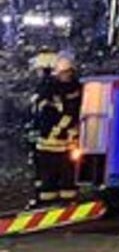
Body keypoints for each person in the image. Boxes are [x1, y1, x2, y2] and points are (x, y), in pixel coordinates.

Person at [32, 55, 81, 204]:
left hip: (66, 140)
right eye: (64, 73)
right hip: (48, 140)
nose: (68, 75)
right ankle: (46, 199)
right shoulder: (48, 88)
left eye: (69, 72)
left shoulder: (75, 88)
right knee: (47, 172)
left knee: (67, 172)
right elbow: (42, 112)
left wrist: (61, 128)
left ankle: (67, 199)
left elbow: (73, 112)